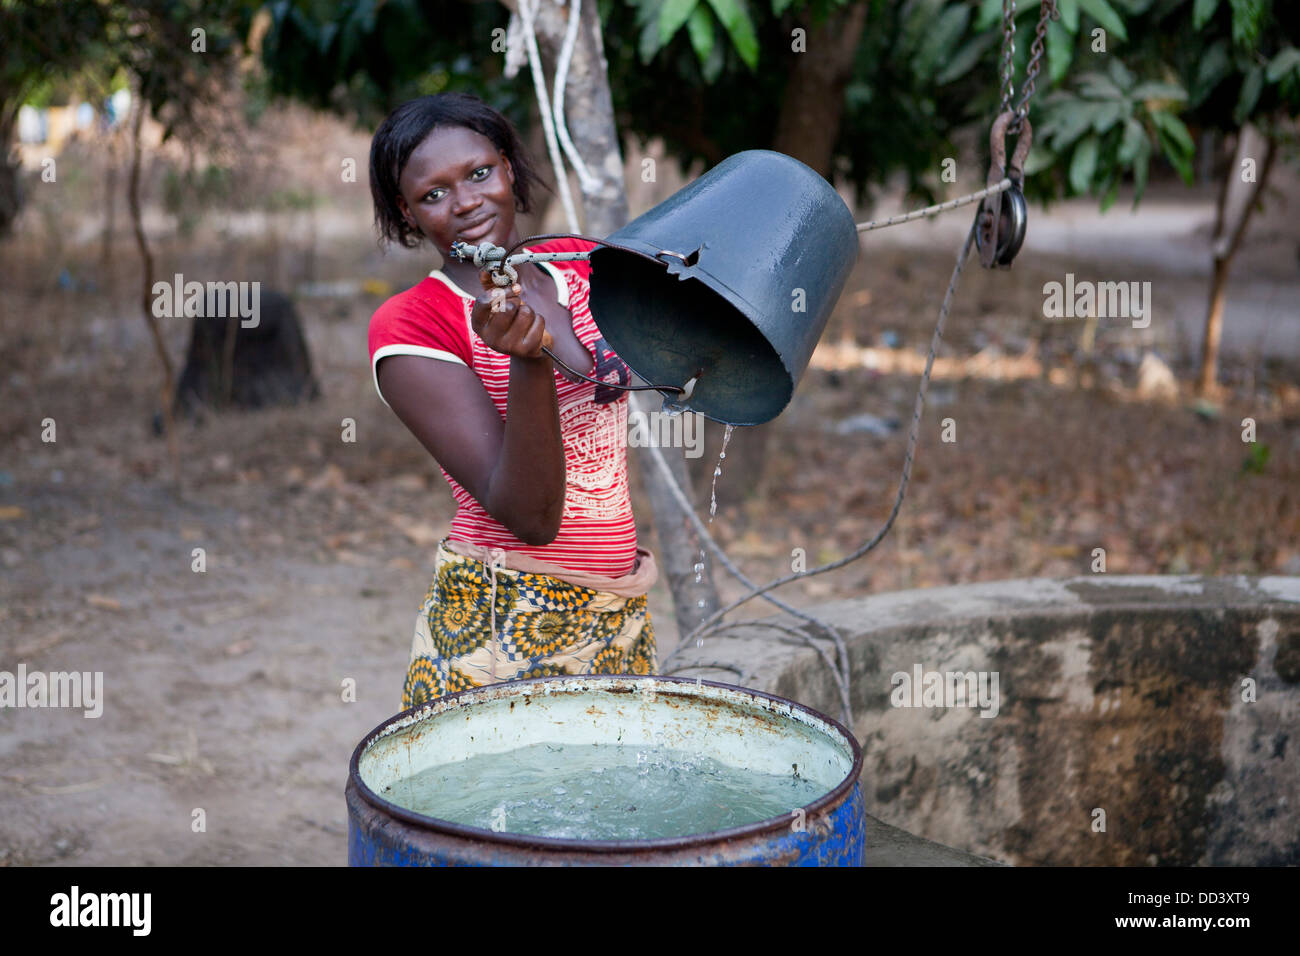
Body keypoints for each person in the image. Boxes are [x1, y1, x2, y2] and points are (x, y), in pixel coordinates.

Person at [367, 92, 658, 710]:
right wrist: (529, 365)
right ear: (408, 211)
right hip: (501, 628)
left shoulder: (582, 267)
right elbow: (529, 517)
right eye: (434, 194)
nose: (467, 201)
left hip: (619, 611)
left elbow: (689, 360)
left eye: (478, 173)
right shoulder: (415, 324)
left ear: (507, 167)